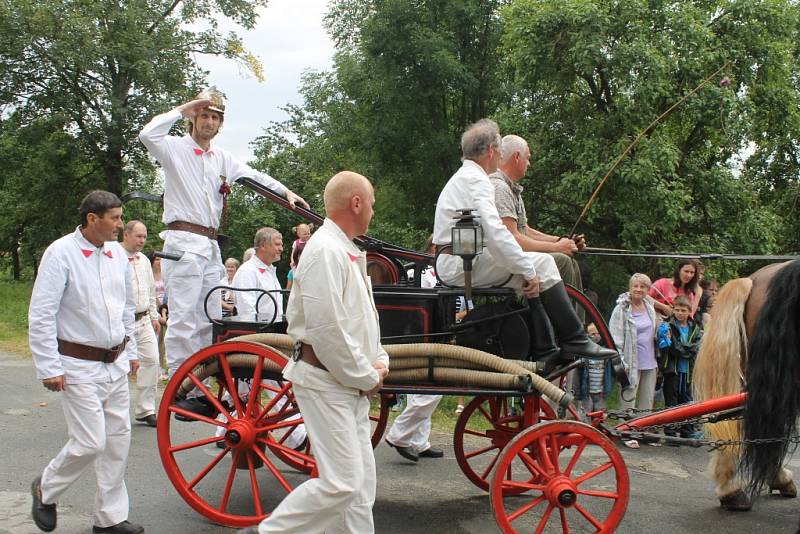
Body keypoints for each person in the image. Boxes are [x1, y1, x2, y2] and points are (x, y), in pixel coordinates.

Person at [138, 87, 308, 417]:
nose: (209, 122)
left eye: (215, 117)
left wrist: (286, 191)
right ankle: (180, 386)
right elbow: (147, 133)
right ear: (193, 118)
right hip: (183, 240)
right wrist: (183, 106)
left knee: (212, 315)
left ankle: (200, 384)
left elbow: (255, 176)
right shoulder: (173, 149)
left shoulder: (222, 159)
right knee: (185, 317)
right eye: (204, 115)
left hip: (209, 245)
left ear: (220, 125)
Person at [238, 171, 389, 534]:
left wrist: (379, 358)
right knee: (342, 484)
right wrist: (368, 375)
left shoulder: (345, 249)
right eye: (370, 202)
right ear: (356, 203)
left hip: (345, 383)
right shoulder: (325, 251)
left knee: (360, 487)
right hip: (327, 382)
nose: (372, 209)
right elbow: (328, 331)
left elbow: (362, 319)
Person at [433, 119, 615, 366]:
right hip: (461, 265)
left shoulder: (468, 178)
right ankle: (569, 339)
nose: (499, 157)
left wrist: (529, 269)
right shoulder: (477, 181)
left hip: (464, 260)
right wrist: (527, 271)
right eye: (498, 151)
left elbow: (508, 233)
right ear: (490, 151)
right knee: (541, 265)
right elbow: (498, 234)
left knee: (541, 265)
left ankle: (550, 345)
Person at [28, 190, 144, 534]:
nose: (120, 225)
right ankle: (45, 489)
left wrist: (132, 350)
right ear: (92, 219)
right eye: (115, 218)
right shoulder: (61, 253)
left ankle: (109, 519)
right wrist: (49, 366)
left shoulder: (116, 255)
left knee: (117, 442)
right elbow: (42, 313)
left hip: (115, 363)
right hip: (77, 365)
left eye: (121, 217)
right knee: (92, 442)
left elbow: (125, 306)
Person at [222, 227, 306, 449]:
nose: (281, 248)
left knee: (252, 389)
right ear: (263, 245)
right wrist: (260, 337)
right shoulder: (247, 271)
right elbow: (248, 309)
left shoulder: (269, 270)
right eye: (277, 244)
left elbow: (275, 305)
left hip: (271, 332)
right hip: (255, 335)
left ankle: (224, 427)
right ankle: (296, 434)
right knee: (276, 381)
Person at [489, 134, 585, 291]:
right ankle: (563, 315)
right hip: (502, 262)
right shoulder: (500, 188)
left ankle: (573, 315)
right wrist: (557, 248)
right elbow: (513, 238)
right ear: (517, 157)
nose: (529, 163)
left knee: (568, 259)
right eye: (527, 158)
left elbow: (525, 231)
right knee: (563, 261)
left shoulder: (511, 189)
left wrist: (563, 241)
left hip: (514, 257)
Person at [385, 235, 444, 462]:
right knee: (432, 387)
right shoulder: (413, 272)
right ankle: (399, 435)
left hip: (432, 334)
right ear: (432, 247)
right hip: (417, 334)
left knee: (422, 389)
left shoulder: (443, 273)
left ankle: (419, 441)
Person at [608, 273, 660, 447]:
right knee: (628, 396)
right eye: (635, 286)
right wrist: (621, 360)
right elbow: (615, 337)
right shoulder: (622, 308)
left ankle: (643, 430)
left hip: (649, 359)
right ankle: (626, 431)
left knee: (647, 399)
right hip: (631, 360)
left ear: (647, 290)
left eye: (642, 286)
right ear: (630, 288)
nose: (638, 289)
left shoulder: (649, 306)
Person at [121, 221, 160, 428]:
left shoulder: (144, 259)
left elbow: (151, 290)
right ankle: (111, 411)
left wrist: (154, 316)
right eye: (138, 236)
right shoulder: (114, 256)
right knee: (120, 366)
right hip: (121, 322)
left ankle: (146, 410)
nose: (142, 241)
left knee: (152, 361)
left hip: (144, 319)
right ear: (126, 235)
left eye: (144, 237)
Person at [657, 296, 703, 439]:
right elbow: (671, 348)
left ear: (689, 311)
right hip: (672, 369)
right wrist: (684, 350)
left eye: (683, 310)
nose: (680, 313)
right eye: (677, 310)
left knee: (687, 401)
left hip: (688, 370)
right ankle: (670, 432)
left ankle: (687, 431)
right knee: (671, 401)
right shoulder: (667, 325)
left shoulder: (694, 327)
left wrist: (682, 349)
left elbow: (696, 346)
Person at [146, 251, 168, 378]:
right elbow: (151, 295)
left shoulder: (165, 275)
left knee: (162, 342)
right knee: (153, 339)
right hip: (152, 308)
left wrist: (165, 311)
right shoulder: (149, 274)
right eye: (157, 259)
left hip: (164, 309)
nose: (160, 262)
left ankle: (162, 366)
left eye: (161, 260)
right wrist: (160, 312)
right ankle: (154, 368)